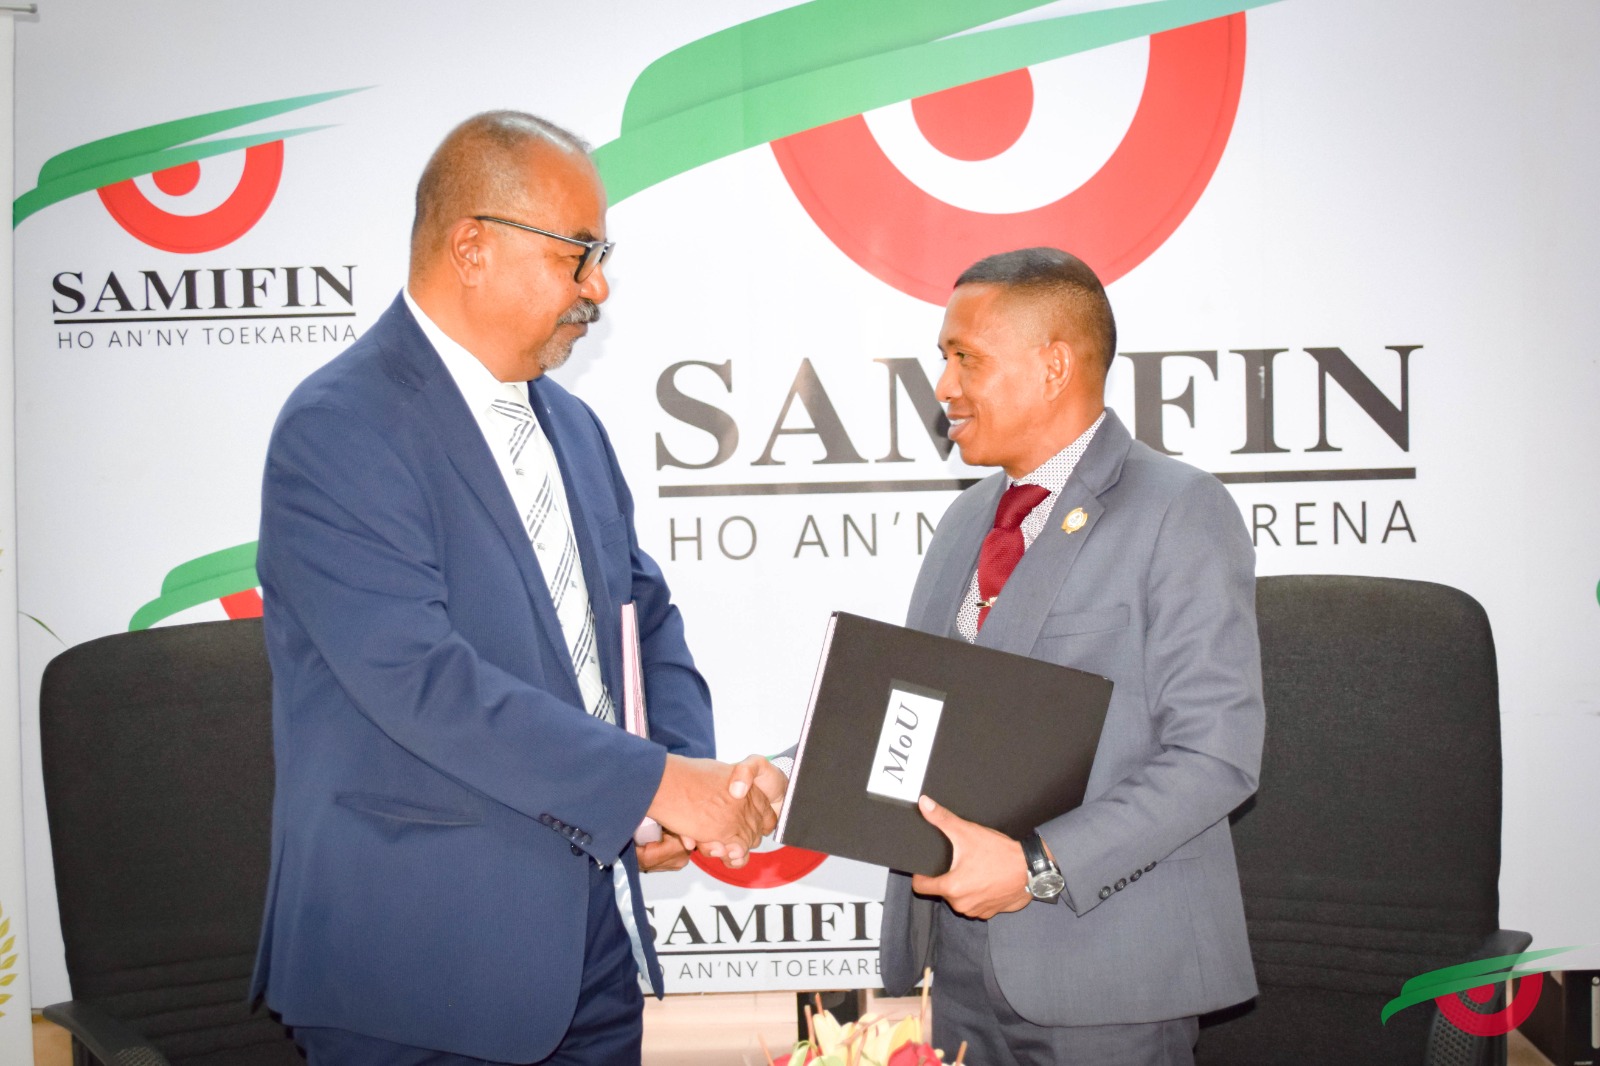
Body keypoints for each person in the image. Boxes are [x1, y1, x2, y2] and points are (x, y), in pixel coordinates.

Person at [250, 111, 784, 1066]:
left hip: (588, 950)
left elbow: (643, 620)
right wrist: (658, 784)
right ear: (472, 247)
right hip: (418, 970)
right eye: (578, 254)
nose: (598, 287)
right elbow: (420, 681)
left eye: (602, 256)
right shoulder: (339, 428)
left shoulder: (571, 427)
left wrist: (672, 777)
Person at [878, 248, 1265, 1065]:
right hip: (959, 972)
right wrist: (783, 782)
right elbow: (918, 715)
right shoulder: (965, 521)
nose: (944, 386)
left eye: (966, 358)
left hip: (1109, 982)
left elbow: (1217, 756)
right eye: (944, 358)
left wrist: (1035, 868)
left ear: (1054, 366)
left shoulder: (1180, 511)